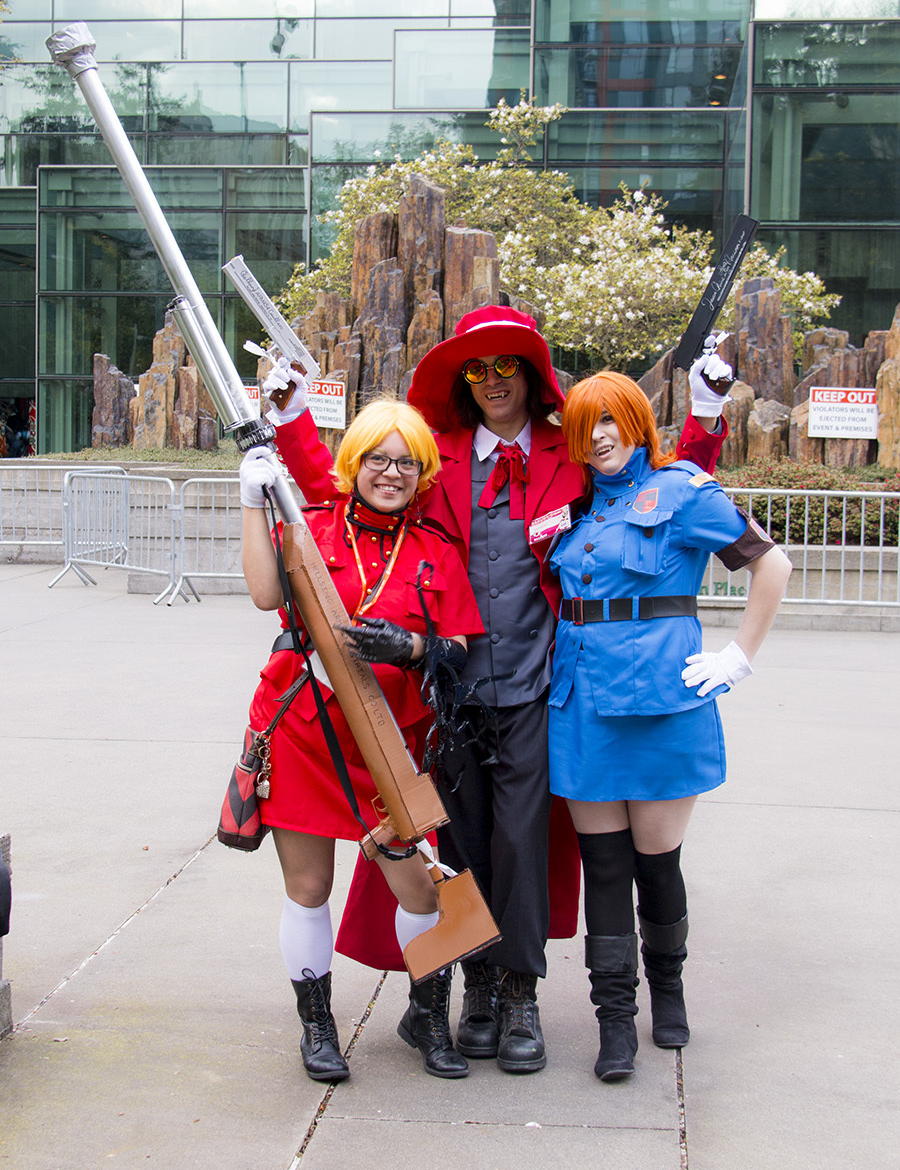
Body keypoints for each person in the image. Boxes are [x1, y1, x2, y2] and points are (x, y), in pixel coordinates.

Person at [269, 304, 732, 1076]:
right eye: (476, 369)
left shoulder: (567, 451)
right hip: (442, 695)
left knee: (521, 845)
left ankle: (520, 994)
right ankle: (474, 990)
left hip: (535, 689)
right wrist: (289, 427)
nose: (492, 381)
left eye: (506, 365)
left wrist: (707, 418)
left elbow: (655, 487)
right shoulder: (435, 454)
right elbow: (346, 495)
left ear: (530, 374)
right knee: (457, 848)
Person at [549, 371, 792, 1081]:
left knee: (657, 862)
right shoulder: (574, 510)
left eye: (610, 421)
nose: (599, 438)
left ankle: (670, 990)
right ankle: (614, 1020)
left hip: (661, 704)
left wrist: (738, 657)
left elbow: (772, 564)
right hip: (583, 705)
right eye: (585, 426)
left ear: (635, 423)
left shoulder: (682, 491)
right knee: (604, 867)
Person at [239, 398, 484, 1082]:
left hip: (390, 741)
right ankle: (317, 1029)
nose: (391, 473)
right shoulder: (310, 524)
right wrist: (252, 504)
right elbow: (265, 595)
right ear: (355, 462)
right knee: (309, 886)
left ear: (423, 473)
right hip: (306, 730)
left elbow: (459, 645)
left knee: (424, 892)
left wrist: (412, 646)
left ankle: (426, 1017)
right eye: (378, 458)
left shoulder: (436, 547)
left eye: (407, 463)